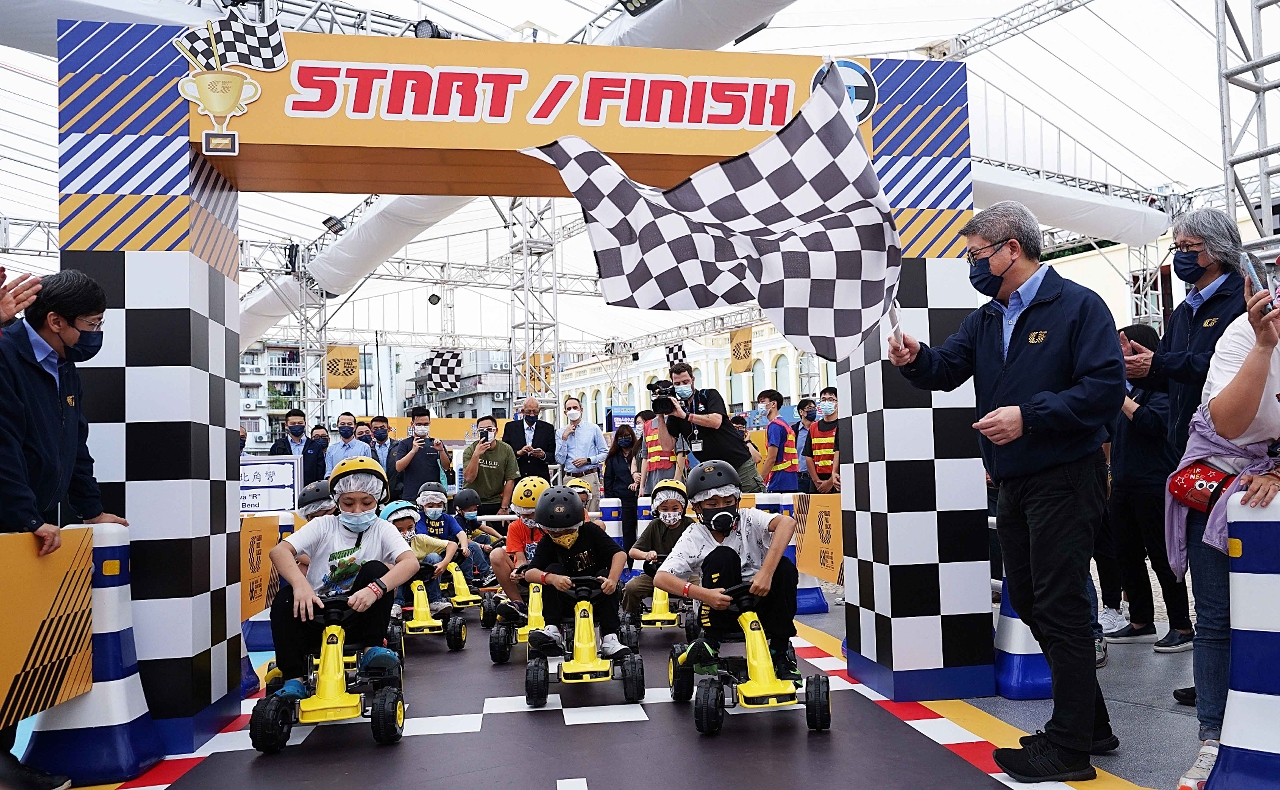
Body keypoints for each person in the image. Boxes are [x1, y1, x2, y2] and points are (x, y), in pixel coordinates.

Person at [887, 201, 1123, 783]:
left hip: (1066, 475)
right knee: (1036, 603)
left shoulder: (1079, 306)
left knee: (1060, 605)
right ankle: (1090, 725)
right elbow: (946, 369)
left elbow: (1104, 388)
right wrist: (916, 360)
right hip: (1015, 481)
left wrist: (1029, 416)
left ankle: (1069, 749)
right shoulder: (988, 318)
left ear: (1011, 248)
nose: (972, 265)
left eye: (976, 254)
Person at [0, 269, 126, 790]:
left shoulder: (64, 365)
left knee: (16, 639)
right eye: (90, 324)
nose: (95, 335)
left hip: (28, 523)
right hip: (11, 524)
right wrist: (25, 517)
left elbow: (75, 445)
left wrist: (90, 510)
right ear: (55, 320)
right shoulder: (6, 352)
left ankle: (5, 754)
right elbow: (2, 444)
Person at [1166, 274, 1280, 790]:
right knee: (1215, 619)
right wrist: (1264, 346)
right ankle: (1212, 740)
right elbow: (1228, 425)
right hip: (1215, 481)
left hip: (1267, 482)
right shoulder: (1242, 331)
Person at [266, 457, 416, 702]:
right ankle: (294, 679)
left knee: (376, 569)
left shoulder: (382, 528)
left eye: (366, 502)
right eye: (348, 503)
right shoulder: (323, 525)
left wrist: (375, 589)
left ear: (378, 499)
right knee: (285, 597)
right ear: (337, 501)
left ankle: (372, 648)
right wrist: (301, 585)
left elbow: (410, 562)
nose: (357, 510)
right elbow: (279, 551)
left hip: (358, 612)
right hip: (316, 612)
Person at [653, 460, 800, 681]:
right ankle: (711, 641)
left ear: (736, 500)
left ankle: (780, 651)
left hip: (761, 601)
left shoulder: (749, 518)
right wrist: (704, 595)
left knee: (785, 567)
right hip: (720, 608)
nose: (722, 507)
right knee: (723, 555)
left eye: (728, 501)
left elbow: (787, 523)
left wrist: (766, 573)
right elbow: (661, 578)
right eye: (712, 504)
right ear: (698, 507)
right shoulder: (695, 534)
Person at [1122, 208, 1246, 458]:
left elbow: (1230, 366)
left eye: (1188, 247)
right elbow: (1168, 378)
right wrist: (1137, 368)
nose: (1180, 255)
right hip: (1184, 446)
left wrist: (1160, 363)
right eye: (1177, 248)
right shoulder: (1183, 311)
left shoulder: (1243, 300)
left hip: (1229, 447)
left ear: (1217, 248)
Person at [1103, 325, 1192, 652]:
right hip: (1124, 484)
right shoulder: (1127, 391)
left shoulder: (1163, 388)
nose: (1117, 355)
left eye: (1123, 347)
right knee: (1125, 554)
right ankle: (1141, 621)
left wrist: (1121, 398)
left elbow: (1153, 424)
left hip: (1154, 484)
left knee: (1163, 557)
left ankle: (1181, 626)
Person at [523, 486, 630, 658]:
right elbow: (530, 573)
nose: (562, 535)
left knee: (605, 575)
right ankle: (553, 630)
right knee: (552, 570)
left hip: (597, 594)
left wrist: (612, 579)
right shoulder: (547, 542)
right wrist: (551, 578)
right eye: (555, 532)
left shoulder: (591, 531)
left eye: (568, 530)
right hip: (565, 598)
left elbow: (619, 554)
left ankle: (610, 638)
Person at [663, 361, 763, 493]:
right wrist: (660, 415)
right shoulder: (676, 410)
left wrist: (686, 416)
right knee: (720, 504)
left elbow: (716, 421)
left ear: (693, 380)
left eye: (685, 382)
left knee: (750, 500)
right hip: (712, 469)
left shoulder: (708, 395)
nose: (682, 386)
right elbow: (667, 446)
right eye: (677, 384)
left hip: (738, 462)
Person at [622, 479, 695, 614]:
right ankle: (630, 614)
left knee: (702, 588)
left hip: (685, 573)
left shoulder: (689, 525)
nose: (670, 513)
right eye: (665, 509)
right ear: (657, 509)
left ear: (683, 508)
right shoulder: (655, 525)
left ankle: (701, 616)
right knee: (631, 587)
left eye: (675, 509)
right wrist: (647, 555)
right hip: (656, 573)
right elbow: (632, 552)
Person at [489, 476, 552, 624]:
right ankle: (518, 604)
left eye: (530, 513)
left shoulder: (553, 526)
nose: (525, 517)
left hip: (549, 575)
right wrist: (518, 571)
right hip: (526, 574)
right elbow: (520, 558)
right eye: (522, 513)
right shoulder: (515, 527)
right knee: (496, 554)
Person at [381, 500, 456, 619]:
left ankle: (434, 601)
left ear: (415, 525)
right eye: (399, 530)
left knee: (434, 557)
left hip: (424, 581)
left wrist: (444, 563)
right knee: (395, 565)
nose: (406, 533)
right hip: (401, 587)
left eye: (410, 528)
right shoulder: (388, 546)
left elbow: (452, 544)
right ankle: (396, 604)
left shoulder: (420, 539)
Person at [415, 482, 491, 583]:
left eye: (439, 505)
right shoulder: (418, 518)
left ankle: (470, 581)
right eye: (430, 506)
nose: (435, 509)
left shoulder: (448, 518)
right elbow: (425, 539)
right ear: (422, 505)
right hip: (427, 555)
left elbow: (461, 533)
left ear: (444, 505)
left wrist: (464, 547)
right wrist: (449, 546)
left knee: (470, 547)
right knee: (434, 556)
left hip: (447, 552)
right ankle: (435, 590)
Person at [555, 397, 608, 510]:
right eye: (569, 408)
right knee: (570, 512)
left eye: (575, 408)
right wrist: (564, 438)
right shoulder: (561, 432)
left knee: (592, 511)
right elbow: (560, 459)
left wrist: (588, 460)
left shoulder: (593, 428)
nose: (572, 411)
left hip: (589, 475)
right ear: (565, 412)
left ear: (581, 410)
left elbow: (605, 453)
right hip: (570, 477)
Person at [463, 415, 519, 518]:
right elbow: (469, 478)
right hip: (472, 500)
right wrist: (476, 455)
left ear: (496, 431)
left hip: (496, 500)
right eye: (481, 430)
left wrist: (504, 507)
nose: (486, 432)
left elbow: (510, 479)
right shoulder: (470, 450)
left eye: (489, 429)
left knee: (502, 525)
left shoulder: (506, 450)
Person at [393, 407, 451, 503]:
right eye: (419, 424)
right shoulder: (405, 443)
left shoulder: (436, 443)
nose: (422, 427)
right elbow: (398, 467)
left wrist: (441, 451)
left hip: (434, 495)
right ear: (412, 424)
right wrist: (413, 451)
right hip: (412, 496)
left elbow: (446, 467)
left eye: (426, 424)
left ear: (430, 423)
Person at [602, 423, 642, 550]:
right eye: (620, 437)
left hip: (639, 497)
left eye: (627, 436)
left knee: (643, 529)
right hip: (622, 499)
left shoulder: (639, 453)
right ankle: (629, 558)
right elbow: (608, 480)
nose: (623, 439)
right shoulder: (613, 458)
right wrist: (610, 500)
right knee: (627, 532)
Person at [502, 397, 557, 482]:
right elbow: (505, 452)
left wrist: (543, 455)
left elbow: (553, 455)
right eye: (528, 411)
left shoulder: (548, 428)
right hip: (517, 477)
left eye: (535, 411)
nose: (532, 415)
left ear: (539, 411)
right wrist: (518, 453)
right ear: (523, 411)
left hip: (540, 478)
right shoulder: (511, 427)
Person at [756, 389, 799, 493]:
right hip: (790, 478)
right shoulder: (784, 424)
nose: (760, 405)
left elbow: (771, 458)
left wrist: (759, 482)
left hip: (779, 480)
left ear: (773, 404)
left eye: (763, 401)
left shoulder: (775, 426)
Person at [805, 387, 841, 493]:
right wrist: (816, 481)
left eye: (831, 399)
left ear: (838, 403)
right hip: (817, 481)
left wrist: (830, 482)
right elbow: (808, 456)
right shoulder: (813, 427)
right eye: (823, 399)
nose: (826, 403)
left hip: (837, 480)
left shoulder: (843, 425)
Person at [638, 406, 679, 494]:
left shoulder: (676, 421)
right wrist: (642, 486)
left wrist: (677, 481)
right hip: (652, 478)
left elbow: (681, 454)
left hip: (671, 473)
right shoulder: (647, 426)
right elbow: (645, 457)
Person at [325, 411, 372, 476]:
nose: (346, 426)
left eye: (349, 424)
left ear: (354, 427)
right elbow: (329, 473)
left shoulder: (364, 448)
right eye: (342, 424)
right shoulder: (331, 450)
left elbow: (368, 472)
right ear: (337, 426)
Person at [793, 398, 816, 494]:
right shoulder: (793, 430)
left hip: (817, 477)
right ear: (801, 412)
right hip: (800, 477)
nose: (813, 411)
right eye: (809, 408)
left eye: (814, 408)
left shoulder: (819, 428)